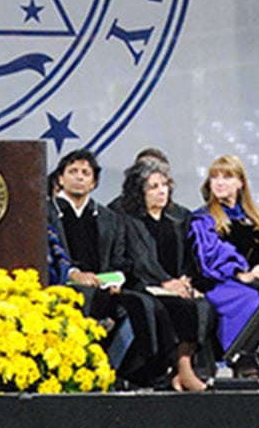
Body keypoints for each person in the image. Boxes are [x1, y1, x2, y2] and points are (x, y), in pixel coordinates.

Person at [47, 149, 172, 385]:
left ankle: (121, 371)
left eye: (86, 172)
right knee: (97, 302)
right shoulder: (46, 213)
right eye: (72, 171)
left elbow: (120, 260)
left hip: (104, 286)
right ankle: (93, 373)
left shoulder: (108, 217)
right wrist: (74, 274)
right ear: (60, 178)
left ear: (94, 182)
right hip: (64, 286)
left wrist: (115, 280)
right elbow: (48, 255)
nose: (80, 176)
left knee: (144, 305)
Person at [119, 158, 213, 391]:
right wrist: (166, 283)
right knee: (177, 308)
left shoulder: (176, 221)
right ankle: (182, 370)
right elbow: (138, 262)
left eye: (164, 185)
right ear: (139, 192)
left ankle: (183, 369)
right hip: (146, 285)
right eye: (154, 187)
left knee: (203, 306)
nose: (162, 191)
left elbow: (188, 260)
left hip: (175, 285)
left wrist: (185, 281)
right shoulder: (130, 222)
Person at [188, 155, 259, 351]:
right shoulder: (204, 219)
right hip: (218, 282)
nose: (219, 183)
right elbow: (211, 257)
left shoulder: (256, 218)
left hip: (253, 278)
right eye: (215, 177)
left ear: (240, 183)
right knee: (247, 297)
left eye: (227, 177)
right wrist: (240, 273)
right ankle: (238, 357)